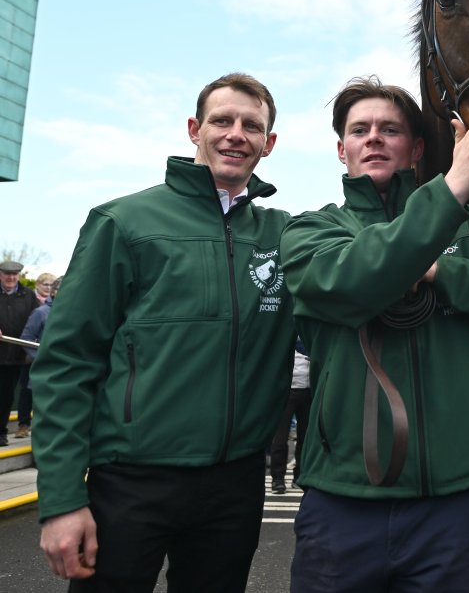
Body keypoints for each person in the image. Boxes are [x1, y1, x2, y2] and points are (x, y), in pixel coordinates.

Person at [280, 77, 469, 593]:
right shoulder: (312, 230)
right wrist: (451, 191)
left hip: (448, 505)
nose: (374, 139)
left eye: (390, 129)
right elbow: (345, 280)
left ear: (417, 148)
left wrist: (443, 273)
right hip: (342, 500)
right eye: (359, 130)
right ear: (341, 149)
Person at [30, 73, 297, 592]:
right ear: (195, 128)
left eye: (252, 125)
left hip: (235, 483)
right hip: (131, 481)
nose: (235, 134)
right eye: (222, 120)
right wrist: (61, 500)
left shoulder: (284, 234)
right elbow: (66, 363)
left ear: (269, 144)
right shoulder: (123, 221)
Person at [0, 259, 39, 447]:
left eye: (14, 274)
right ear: (0, 275)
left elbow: (35, 323)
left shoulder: (29, 296)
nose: (11, 277)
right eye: (7, 274)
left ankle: (1, 433)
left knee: (7, 397)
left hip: (15, 357)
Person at [14, 272, 55, 439]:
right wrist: (40, 356)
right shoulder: (40, 311)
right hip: (34, 361)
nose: (48, 287)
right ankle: (24, 424)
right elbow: (26, 337)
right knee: (27, 393)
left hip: (55, 365)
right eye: (46, 284)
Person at [270, 338, 311, 494]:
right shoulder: (285, 337)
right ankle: (277, 479)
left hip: (308, 390)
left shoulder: (310, 335)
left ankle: (299, 476)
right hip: (286, 392)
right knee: (280, 438)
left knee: (305, 438)